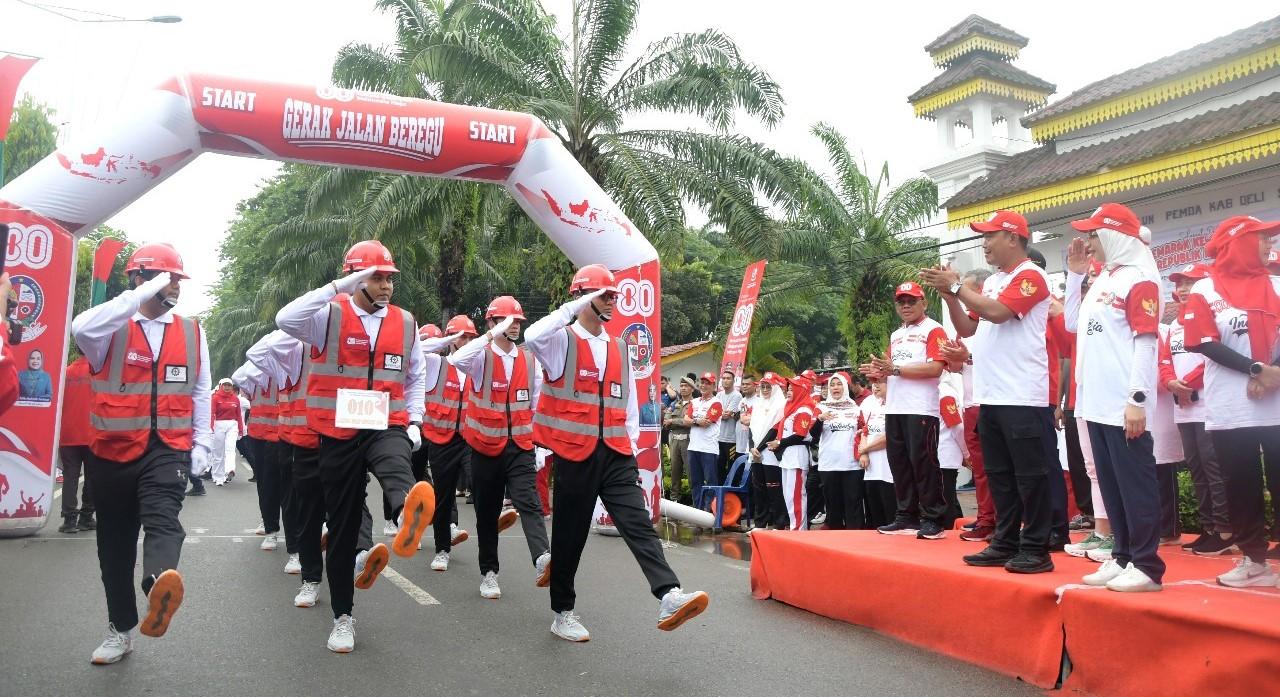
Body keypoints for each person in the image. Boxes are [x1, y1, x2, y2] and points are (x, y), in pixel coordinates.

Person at [525, 263, 708, 642]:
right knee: (569, 536)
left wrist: (631, 448)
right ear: (582, 298)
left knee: (638, 523)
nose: (610, 300)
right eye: (602, 294)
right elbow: (531, 334)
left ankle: (668, 594)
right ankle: (563, 612)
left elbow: (624, 403)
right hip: (575, 454)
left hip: (615, 454)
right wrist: (573, 308)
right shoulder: (562, 341)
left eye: (611, 294)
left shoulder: (619, 346)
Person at [275, 240, 434, 652]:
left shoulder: (406, 323)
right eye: (377, 277)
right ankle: (343, 618)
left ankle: (405, 512)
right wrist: (337, 287)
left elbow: (416, 377)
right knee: (343, 530)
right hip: (337, 430)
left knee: (397, 462)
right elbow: (285, 318)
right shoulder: (326, 316)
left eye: (389, 279)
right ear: (356, 279)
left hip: (386, 421)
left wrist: (415, 420)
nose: (386, 286)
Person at [70, 243, 211, 664]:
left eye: (178, 280)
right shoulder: (106, 330)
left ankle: (157, 585)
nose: (175, 288)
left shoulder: (192, 331)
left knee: (165, 518)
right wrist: (138, 295)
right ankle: (120, 629)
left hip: (166, 450)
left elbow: (201, 388)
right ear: (139, 279)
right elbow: (80, 327)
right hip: (110, 453)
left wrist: (202, 442)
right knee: (114, 548)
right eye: (166, 279)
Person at [921, 209, 1055, 574]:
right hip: (990, 394)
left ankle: (1037, 548)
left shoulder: (1032, 276)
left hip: (1023, 394)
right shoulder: (994, 280)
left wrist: (955, 287)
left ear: (1013, 237)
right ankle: (1005, 541)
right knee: (1000, 474)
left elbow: (998, 313)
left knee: (1030, 475)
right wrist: (948, 297)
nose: (985, 244)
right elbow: (968, 328)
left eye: (990, 236)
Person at [1065, 203, 1165, 593]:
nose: (1088, 242)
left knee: (1134, 484)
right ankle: (1122, 555)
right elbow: (1073, 324)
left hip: (1124, 404)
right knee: (1111, 485)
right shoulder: (1106, 278)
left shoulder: (1140, 278)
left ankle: (1146, 565)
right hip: (1096, 403)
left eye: (1094, 234)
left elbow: (1145, 341)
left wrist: (1137, 398)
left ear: (1115, 236)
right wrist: (1075, 278)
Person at [1181, 215, 1280, 587]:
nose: (1269, 244)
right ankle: (1255, 562)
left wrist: (1272, 373)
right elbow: (1203, 341)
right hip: (1229, 408)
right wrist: (1256, 370)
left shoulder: (1277, 283)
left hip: (1276, 405)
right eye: (1262, 238)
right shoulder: (1206, 289)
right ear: (1238, 243)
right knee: (1241, 485)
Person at [453, 296, 552, 599]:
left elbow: (536, 404)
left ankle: (542, 558)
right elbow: (455, 360)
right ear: (492, 323)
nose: (514, 326)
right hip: (483, 448)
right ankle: (489, 572)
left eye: (518, 321)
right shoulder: (481, 357)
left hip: (520, 447)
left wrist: (539, 446)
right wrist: (489, 336)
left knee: (529, 501)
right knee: (487, 512)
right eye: (507, 321)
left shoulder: (529, 360)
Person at [859, 282, 949, 540]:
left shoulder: (934, 329)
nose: (906, 306)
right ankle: (905, 515)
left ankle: (933, 518)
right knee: (899, 463)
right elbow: (890, 368)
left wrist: (895, 369)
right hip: (895, 407)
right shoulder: (896, 335)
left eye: (912, 301)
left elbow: (935, 369)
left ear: (924, 303)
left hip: (921, 408)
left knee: (924, 463)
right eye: (901, 302)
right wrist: (877, 372)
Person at [1161, 263, 1235, 555]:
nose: (1183, 288)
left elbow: (1214, 358)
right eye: (1180, 283)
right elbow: (1164, 360)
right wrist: (1171, 383)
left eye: (1190, 282)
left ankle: (1225, 529)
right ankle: (1207, 528)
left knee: (1214, 468)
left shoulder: (1216, 315)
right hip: (1183, 407)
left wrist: (1188, 384)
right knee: (1196, 470)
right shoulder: (1175, 325)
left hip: (1207, 404)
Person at [420, 317, 478, 572]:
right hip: (441, 440)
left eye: (469, 338)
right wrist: (448, 339)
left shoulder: (481, 364)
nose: (465, 342)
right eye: (461, 337)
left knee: (479, 479)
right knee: (443, 497)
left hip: (471, 437)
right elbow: (418, 350)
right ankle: (442, 549)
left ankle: (496, 513)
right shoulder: (437, 364)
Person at [758, 375, 817, 530]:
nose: (789, 391)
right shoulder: (790, 408)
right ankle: (794, 527)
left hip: (797, 455)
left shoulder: (804, 408)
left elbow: (800, 435)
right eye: (788, 388)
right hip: (787, 456)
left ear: (801, 390)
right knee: (788, 496)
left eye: (792, 389)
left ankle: (798, 530)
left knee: (796, 496)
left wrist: (779, 443)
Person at [813, 372, 864, 530]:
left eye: (839, 384)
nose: (836, 387)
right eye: (832, 385)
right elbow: (812, 435)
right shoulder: (821, 407)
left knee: (853, 504)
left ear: (846, 386)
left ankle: (855, 541)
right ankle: (835, 543)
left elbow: (863, 432)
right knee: (833, 506)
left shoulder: (856, 409)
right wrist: (820, 419)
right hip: (829, 464)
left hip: (852, 465)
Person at [58, 356, 96, 532]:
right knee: (92, 477)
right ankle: (86, 517)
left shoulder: (65, 373)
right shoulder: (97, 371)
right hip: (92, 433)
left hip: (68, 433)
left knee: (70, 477)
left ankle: (69, 520)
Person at [747, 372, 787, 529]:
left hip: (770, 452)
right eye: (762, 386)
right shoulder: (757, 404)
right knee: (759, 489)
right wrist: (752, 448)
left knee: (774, 489)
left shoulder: (781, 405)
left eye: (768, 386)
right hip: (756, 453)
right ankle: (760, 523)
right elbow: (750, 429)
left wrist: (759, 448)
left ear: (775, 387)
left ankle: (779, 524)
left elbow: (774, 429)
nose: (764, 389)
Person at [856, 378, 896, 528]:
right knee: (874, 512)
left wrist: (865, 449)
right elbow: (863, 430)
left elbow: (889, 437)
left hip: (889, 469)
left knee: (891, 512)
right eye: (873, 382)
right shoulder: (869, 403)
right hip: (871, 469)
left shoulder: (895, 404)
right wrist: (864, 453)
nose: (875, 386)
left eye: (879, 382)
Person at [937, 371, 969, 529]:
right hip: (942, 452)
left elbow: (956, 426)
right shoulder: (942, 391)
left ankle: (950, 530)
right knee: (947, 497)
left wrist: (966, 453)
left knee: (946, 498)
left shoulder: (944, 392)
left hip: (944, 452)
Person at [686, 373, 724, 506]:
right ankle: (698, 510)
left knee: (711, 482)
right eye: (702, 382)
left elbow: (706, 423)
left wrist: (693, 420)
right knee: (695, 481)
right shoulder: (694, 402)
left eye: (707, 383)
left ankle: (710, 511)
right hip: (693, 447)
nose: (703, 385)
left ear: (714, 386)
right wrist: (697, 421)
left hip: (709, 449)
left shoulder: (717, 403)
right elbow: (686, 421)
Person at [662, 375, 695, 502]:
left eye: (686, 386)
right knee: (675, 472)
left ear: (692, 389)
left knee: (691, 471)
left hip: (688, 440)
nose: (683, 388)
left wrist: (673, 421)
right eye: (681, 386)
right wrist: (674, 421)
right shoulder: (675, 403)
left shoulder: (695, 404)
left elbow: (690, 422)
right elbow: (666, 421)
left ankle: (695, 501)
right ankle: (674, 499)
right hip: (674, 440)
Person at [209, 378, 245, 488]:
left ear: (232, 387)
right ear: (220, 386)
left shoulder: (235, 399)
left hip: (232, 425)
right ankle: (217, 476)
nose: (227, 387)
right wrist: (211, 427)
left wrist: (240, 429)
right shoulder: (215, 398)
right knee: (218, 452)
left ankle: (230, 470)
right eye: (225, 385)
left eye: (229, 385)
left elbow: (239, 415)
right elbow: (212, 413)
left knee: (230, 448)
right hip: (219, 424)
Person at [716, 370, 742, 480]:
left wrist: (718, 413)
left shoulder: (737, 395)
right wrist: (720, 413)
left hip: (731, 439)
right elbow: (716, 413)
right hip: (718, 438)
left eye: (728, 378)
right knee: (718, 467)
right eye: (724, 378)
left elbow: (726, 415)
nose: (725, 380)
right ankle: (719, 493)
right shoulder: (719, 394)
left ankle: (730, 493)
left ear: (734, 380)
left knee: (731, 467)